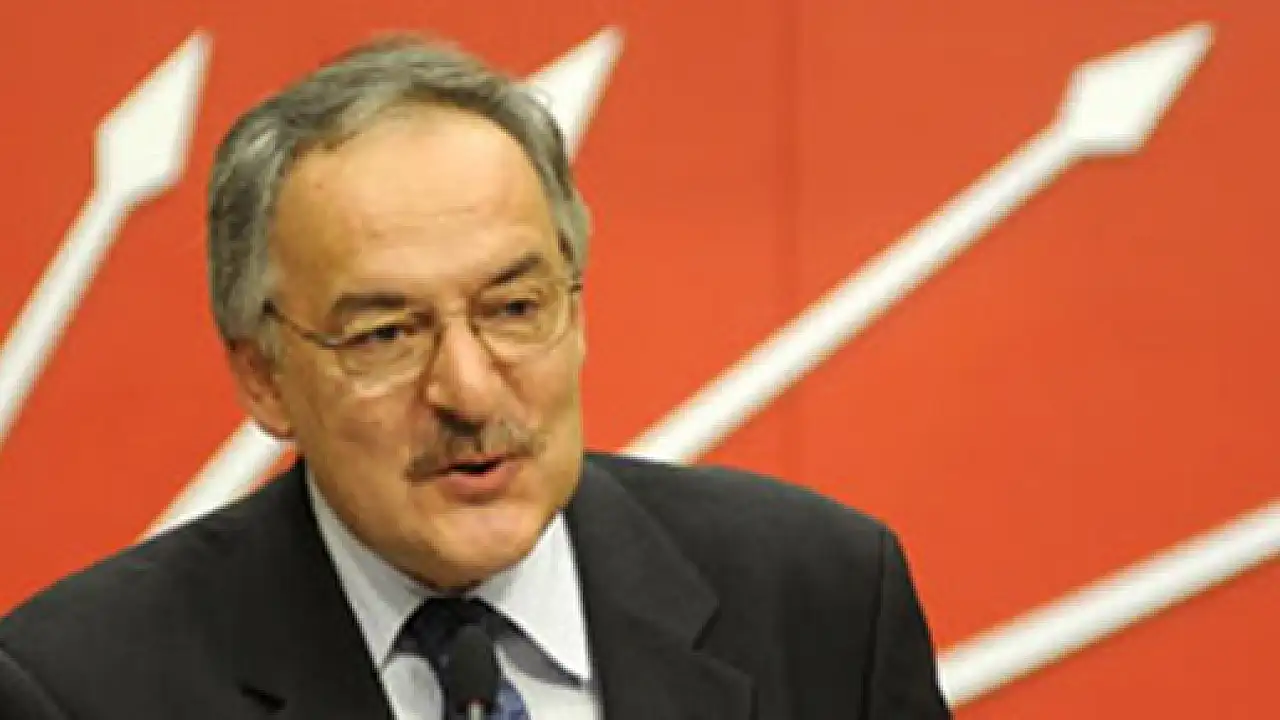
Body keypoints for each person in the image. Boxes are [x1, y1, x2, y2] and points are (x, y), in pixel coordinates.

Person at [0, 34, 952, 719]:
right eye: (385, 334)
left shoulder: (819, 603)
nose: (470, 392)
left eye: (513, 309)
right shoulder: (82, 689)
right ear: (264, 378)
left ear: (577, 308)